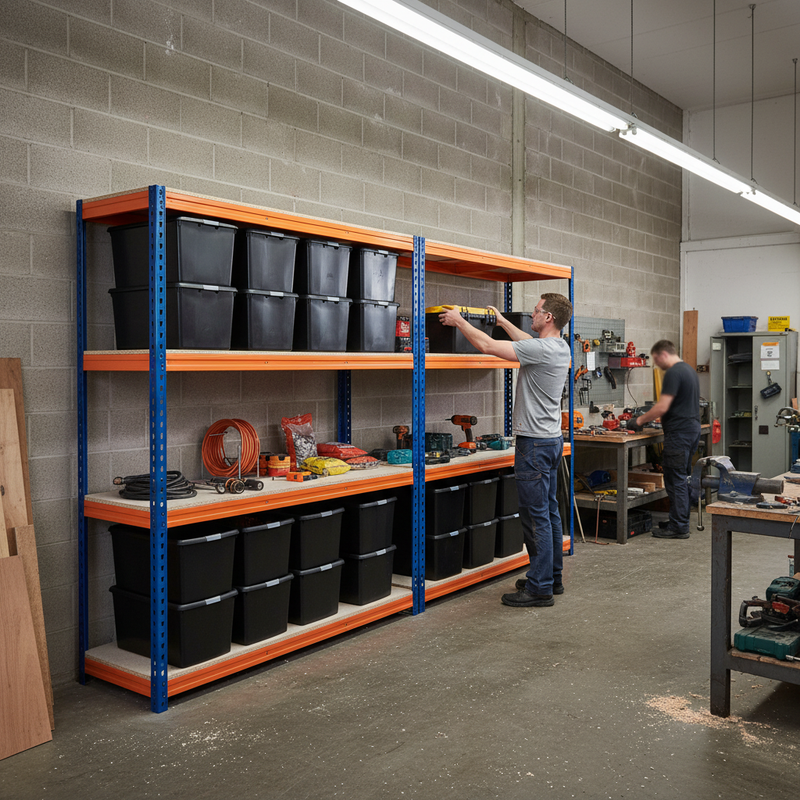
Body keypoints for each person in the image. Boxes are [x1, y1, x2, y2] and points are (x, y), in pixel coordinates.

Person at [438, 293, 573, 607]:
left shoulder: (543, 349)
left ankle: (539, 589)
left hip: (534, 445)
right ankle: (551, 578)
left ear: (549, 317)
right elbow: (527, 341)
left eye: (537, 311)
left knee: (535, 517)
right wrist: (502, 321)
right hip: (551, 442)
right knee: (549, 514)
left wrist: (458, 321)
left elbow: (487, 346)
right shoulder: (559, 347)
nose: (533, 315)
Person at [631, 340, 701, 539]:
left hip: (679, 434)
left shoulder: (673, 372)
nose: (656, 365)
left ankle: (679, 527)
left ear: (663, 354)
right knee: (681, 478)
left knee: (675, 480)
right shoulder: (688, 370)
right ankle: (679, 520)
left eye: (655, 360)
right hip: (691, 431)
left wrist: (639, 421)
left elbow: (662, 406)